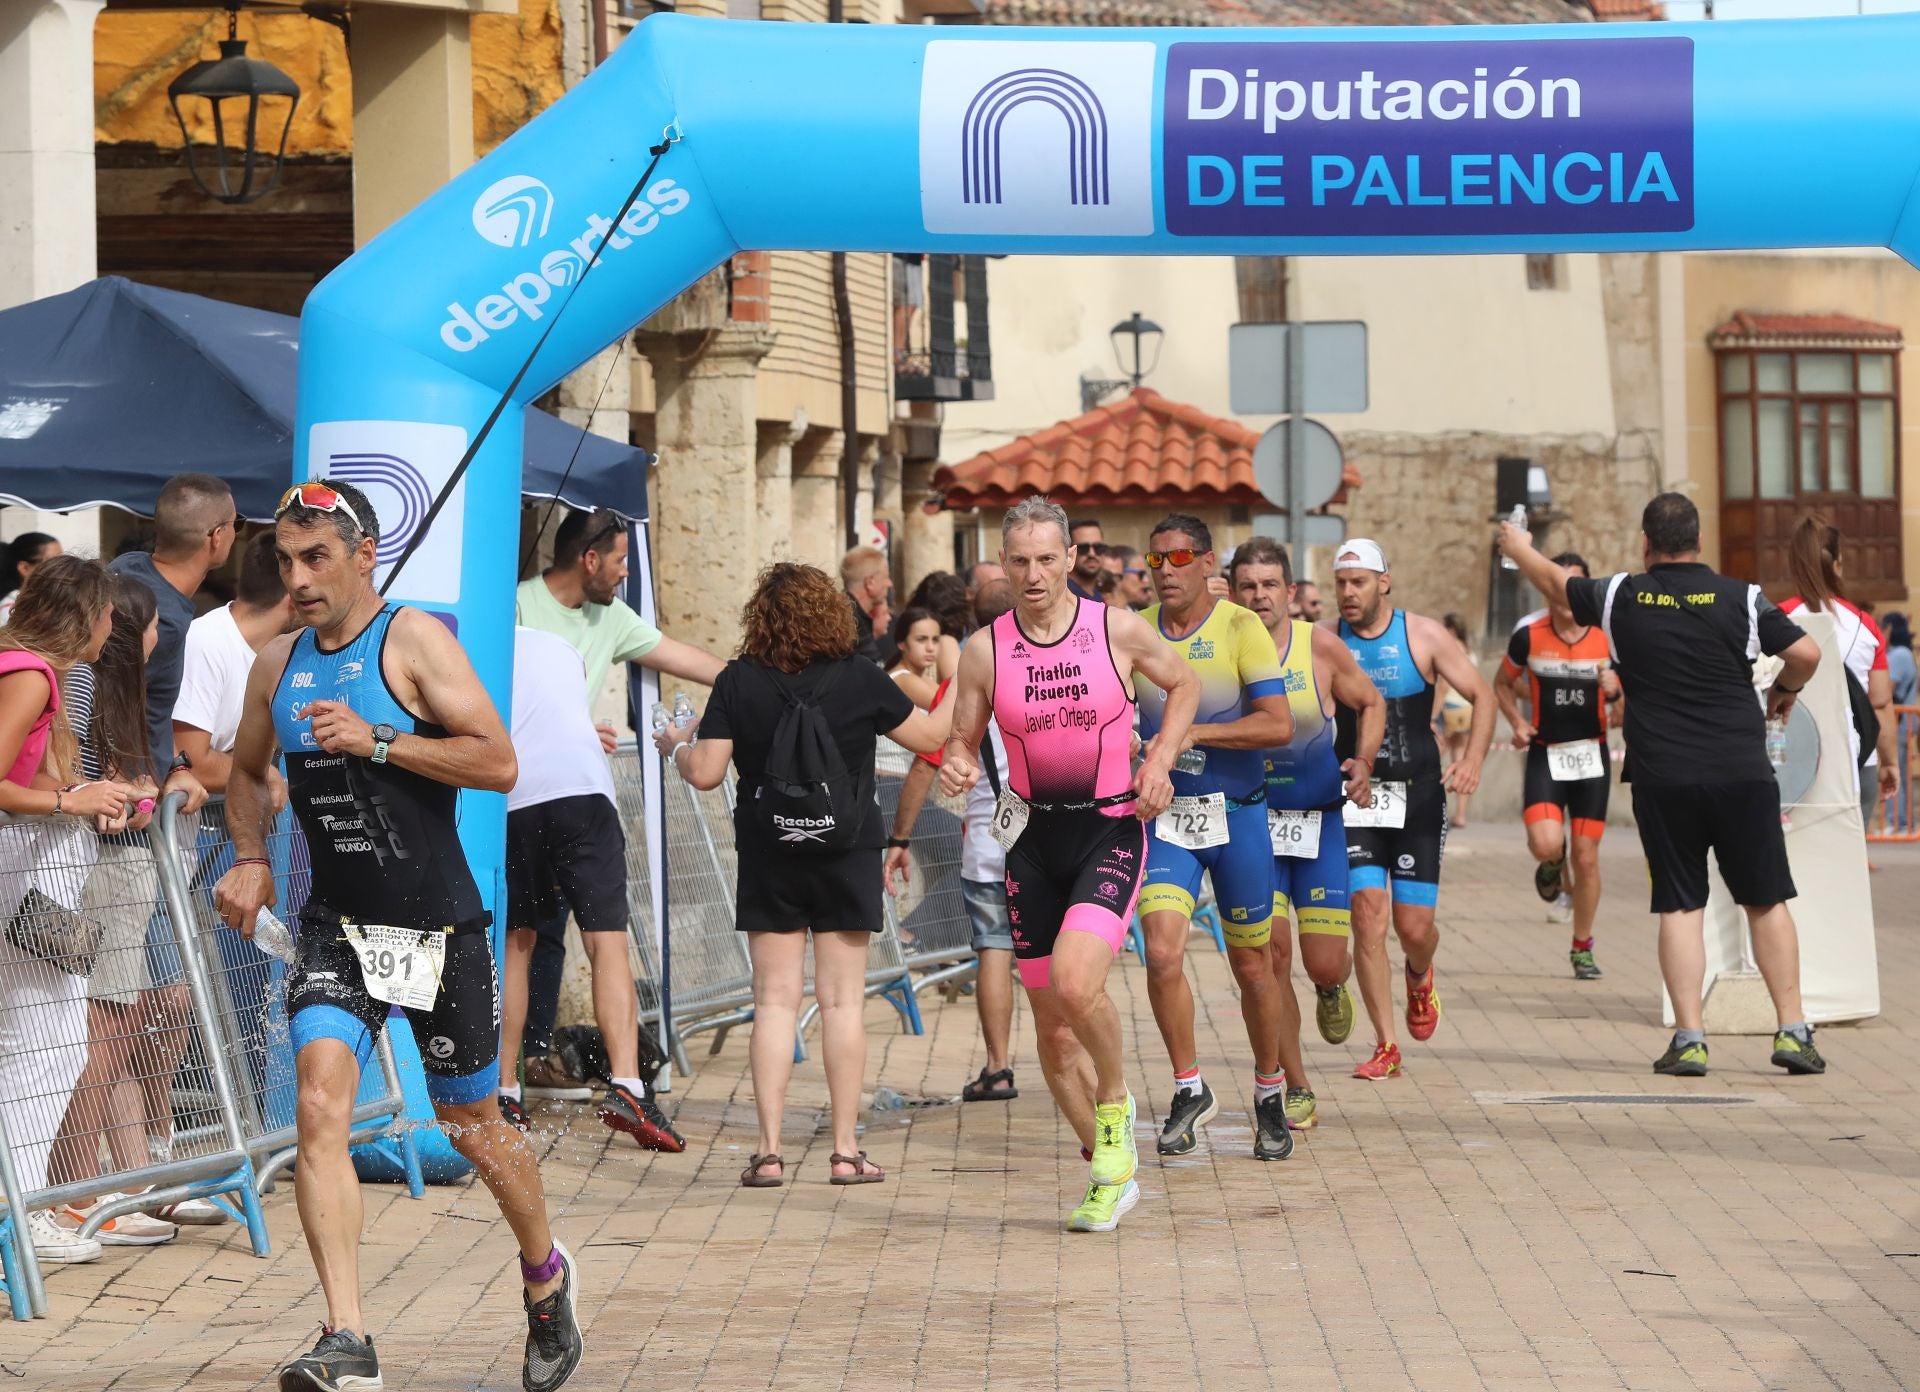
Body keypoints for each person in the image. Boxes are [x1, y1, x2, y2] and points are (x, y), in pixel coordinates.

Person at [214, 480, 584, 1392]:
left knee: (473, 1128)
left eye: (316, 560)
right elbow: (245, 771)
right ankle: (348, 1337)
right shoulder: (278, 664)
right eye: (285, 563)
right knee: (319, 1103)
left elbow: (496, 762)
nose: (297, 580)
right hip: (335, 926)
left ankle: (545, 1275)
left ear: (363, 555)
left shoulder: (413, 639)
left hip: (433, 927)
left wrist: (378, 740)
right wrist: (252, 853)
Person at [1499, 494, 1829, 1077]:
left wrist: (1518, 545)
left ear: (1646, 544)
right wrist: (1786, 691)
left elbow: (1556, 583)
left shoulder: (1624, 594)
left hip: (1664, 775)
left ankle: (1691, 1039)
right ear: (1699, 541)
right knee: (1765, 899)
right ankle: (1793, 1032)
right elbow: (1805, 652)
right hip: (1741, 773)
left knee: (1680, 905)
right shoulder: (1744, 598)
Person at [940, 496, 1198, 1232]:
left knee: (1080, 985)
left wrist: (1163, 756)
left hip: (1109, 830)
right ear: (1005, 562)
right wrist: (959, 763)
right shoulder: (985, 649)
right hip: (1029, 846)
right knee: (1052, 1034)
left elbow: (1183, 685)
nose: (1033, 574)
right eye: (1019, 560)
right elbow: (963, 735)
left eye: (1046, 559)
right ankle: (1108, 1171)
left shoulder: (1115, 629)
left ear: (1068, 560)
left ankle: (1115, 1105)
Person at [655, 562, 944, 1190]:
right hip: (848, 854)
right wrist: (959, 682)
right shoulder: (861, 678)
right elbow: (932, 735)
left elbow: (705, 772)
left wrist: (674, 745)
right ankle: (844, 1152)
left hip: (770, 855)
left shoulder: (739, 681)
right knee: (842, 1002)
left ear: (761, 616)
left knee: (773, 1003)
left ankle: (768, 1153)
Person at [514, 506, 722, 1099]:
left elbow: (689, 660)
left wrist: (759, 679)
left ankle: (533, 1069)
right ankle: (522, 1073)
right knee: (524, 937)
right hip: (515, 792)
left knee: (556, 935)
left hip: (576, 789)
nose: (627, 573)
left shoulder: (612, 617)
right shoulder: (519, 605)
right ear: (589, 559)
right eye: (622, 560)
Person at [1131, 517, 1296, 1162]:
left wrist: (1194, 733)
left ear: (1207, 567)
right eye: (1156, 555)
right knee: (1163, 952)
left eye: (1179, 556)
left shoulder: (1239, 627)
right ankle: (1187, 1088)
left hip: (1240, 816)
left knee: (1255, 968)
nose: (1165, 567)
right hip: (1170, 819)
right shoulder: (1137, 631)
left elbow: (1277, 724)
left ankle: (1269, 1090)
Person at [497, 626, 683, 1153]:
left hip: (515, 796)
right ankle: (627, 1085)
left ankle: (506, 1092)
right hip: (583, 791)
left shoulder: (466, 645)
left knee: (518, 943)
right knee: (607, 944)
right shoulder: (561, 646)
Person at [0, 556, 135, 1266]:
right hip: (19, 880)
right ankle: (16, 1216)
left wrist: (94, 796)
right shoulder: (31, 673)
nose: (112, 627)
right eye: (107, 613)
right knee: (43, 1045)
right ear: (83, 615)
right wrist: (68, 801)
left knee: (49, 1042)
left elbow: (43, 779)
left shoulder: (28, 669)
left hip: (28, 877)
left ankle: (21, 1210)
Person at [1231, 537, 1384, 1130]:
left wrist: (1363, 764)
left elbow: (1370, 703)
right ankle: (1294, 1084)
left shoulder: (1318, 646)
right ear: (1234, 591)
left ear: (1289, 592)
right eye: (1248, 586)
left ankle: (1328, 988)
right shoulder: (1222, 650)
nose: (1259, 596)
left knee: (1323, 963)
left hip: (1319, 824)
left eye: (1269, 585)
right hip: (1253, 824)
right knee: (1269, 956)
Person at [1332, 539, 1494, 1081]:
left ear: (1384, 581)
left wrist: (1471, 759)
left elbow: (1483, 695)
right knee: (1367, 915)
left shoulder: (1422, 635)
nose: (1348, 593)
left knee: (1414, 926)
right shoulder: (1329, 642)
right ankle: (1386, 1045)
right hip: (1358, 796)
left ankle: (1420, 974)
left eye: (1358, 582)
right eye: (1341, 582)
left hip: (1419, 796)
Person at [107, 473, 223, 1171]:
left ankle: (148, 1161)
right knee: (134, 1007)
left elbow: (151, 717)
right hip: (127, 827)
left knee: (148, 1001)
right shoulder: (170, 621)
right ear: (219, 538)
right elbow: (110, 708)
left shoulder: (121, 574)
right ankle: (136, 1167)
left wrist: (175, 761)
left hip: (140, 809)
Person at [885, 582, 1020, 1103]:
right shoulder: (1058, 668)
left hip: (991, 831)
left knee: (993, 948)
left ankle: (998, 1065)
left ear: (968, 625)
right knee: (1052, 950)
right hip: (1052, 834)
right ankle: (1068, 1056)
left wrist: (900, 836)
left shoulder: (970, 674)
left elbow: (927, 760)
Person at [1495, 553, 1622, 981]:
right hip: (1545, 754)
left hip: (1591, 756)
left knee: (1587, 860)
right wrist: (1516, 722)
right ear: (1547, 589)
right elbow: (1501, 683)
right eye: (1559, 585)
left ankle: (1582, 947)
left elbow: (1623, 712)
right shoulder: (1528, 636)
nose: (1566, 596)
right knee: (1548, 844)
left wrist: (1615, 693)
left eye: (1575, 587)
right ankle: (1551, 865)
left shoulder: (1608, 639)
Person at [1779, 513, 1897, 827]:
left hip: (1789, 766)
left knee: (1793, 866)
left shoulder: (1775, 620)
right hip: (1857, 763)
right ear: (1838, 565)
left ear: (1794, 564)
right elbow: (1881, 704)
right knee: (1849, 867)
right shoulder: (1866, 627)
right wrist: (1890, 762)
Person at [172, 529, 298, 795]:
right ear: (292, 600)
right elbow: (191, 762)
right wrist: (262, 774)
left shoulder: (274, 655)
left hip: (189, 830)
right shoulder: (206, 641)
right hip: (143, 831)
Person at [1434, 614, 1479, 828]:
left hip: (1449, 709)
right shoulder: (1470, 652)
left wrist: (1432, 715)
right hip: (1467, 709)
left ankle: (1426, 806)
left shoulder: (1450, 649)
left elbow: (1443, 687)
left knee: (1431, 759)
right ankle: (1461, 814)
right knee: (1460, 760)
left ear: (1451, 630)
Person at [841, 545, 897, 668]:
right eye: (886, 577)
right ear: (870, 582)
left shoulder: (848, 613)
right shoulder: (850, 621)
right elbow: (872, 671)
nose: (889, 583)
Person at [0, 531, 62, 625]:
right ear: (24, 568)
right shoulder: (10, 611)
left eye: (63, 560)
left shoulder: (45, 601)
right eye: (53, 562)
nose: (63, 567)